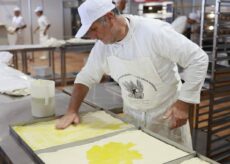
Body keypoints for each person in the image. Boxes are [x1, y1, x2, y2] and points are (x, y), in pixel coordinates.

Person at [56, 0, 208, 149]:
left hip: (165, 118)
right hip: (132, 118)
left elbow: (198, 59)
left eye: (94, 29)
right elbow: (86, 77)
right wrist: (71, 111)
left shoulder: (153, 32)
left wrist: (183, 104)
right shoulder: (103, 46)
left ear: (109, 18)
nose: (93, 36)